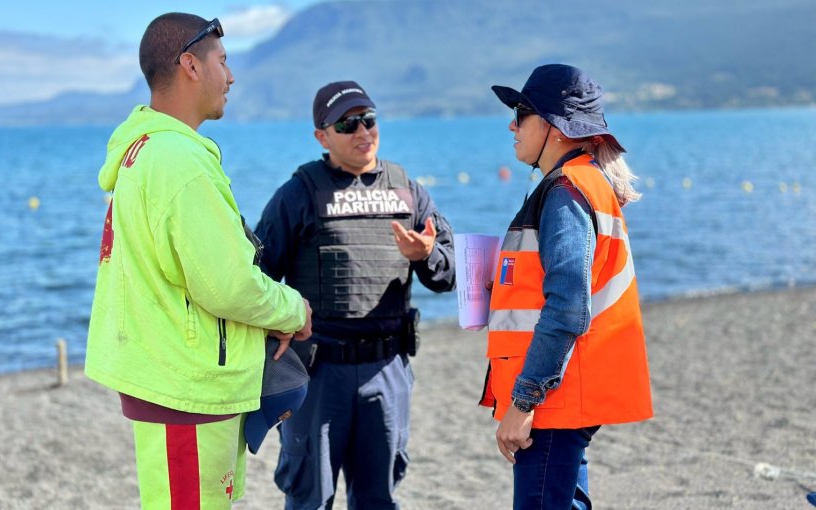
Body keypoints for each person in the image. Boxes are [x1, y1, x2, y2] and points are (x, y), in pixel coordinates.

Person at [84, 13, 312, 509]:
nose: (230, 77)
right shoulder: (177, 162)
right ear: (190, 64)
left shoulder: (146, 152)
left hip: (174, 379)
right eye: (223, 62)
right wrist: (294, 310)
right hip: (183, 387)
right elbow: (227, 285)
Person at [254, 81, 456, 509]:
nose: (363, 132)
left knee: (379, 498)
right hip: (318, 373)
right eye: (347, 124)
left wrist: (426, 255)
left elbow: (450, 276)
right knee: (312, 497)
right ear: (322, 136)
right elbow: (256, 280)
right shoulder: (298, 194)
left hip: (388, 369)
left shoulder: (408, 191)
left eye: (369, 119)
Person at [479, 64, 654, 509]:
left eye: (522, 113)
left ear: (554, 126)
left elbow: (568, 307)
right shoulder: (584, 183)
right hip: (569, 392)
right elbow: (564, 289)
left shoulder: (567, 191)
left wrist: (523, 401)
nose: (512, 125)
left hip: (554, 399)